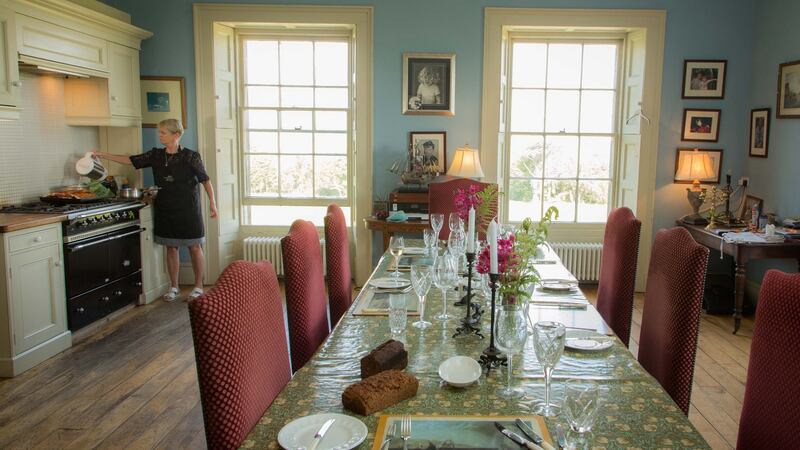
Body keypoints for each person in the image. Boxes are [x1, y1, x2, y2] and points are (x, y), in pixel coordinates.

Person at [95, 119, 218, 302]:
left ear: (176, 135)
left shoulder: (191, 156)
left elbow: (205, 180)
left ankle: (198, 286)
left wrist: (212, 203)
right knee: (171, 246)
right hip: (165, 207)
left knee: (194, 246)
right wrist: (101, 154)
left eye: (163, 132)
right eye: (159, 132)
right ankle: (174, 286)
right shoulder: (156, 155)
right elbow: (131, 160)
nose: (159, 135)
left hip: (188, 208)